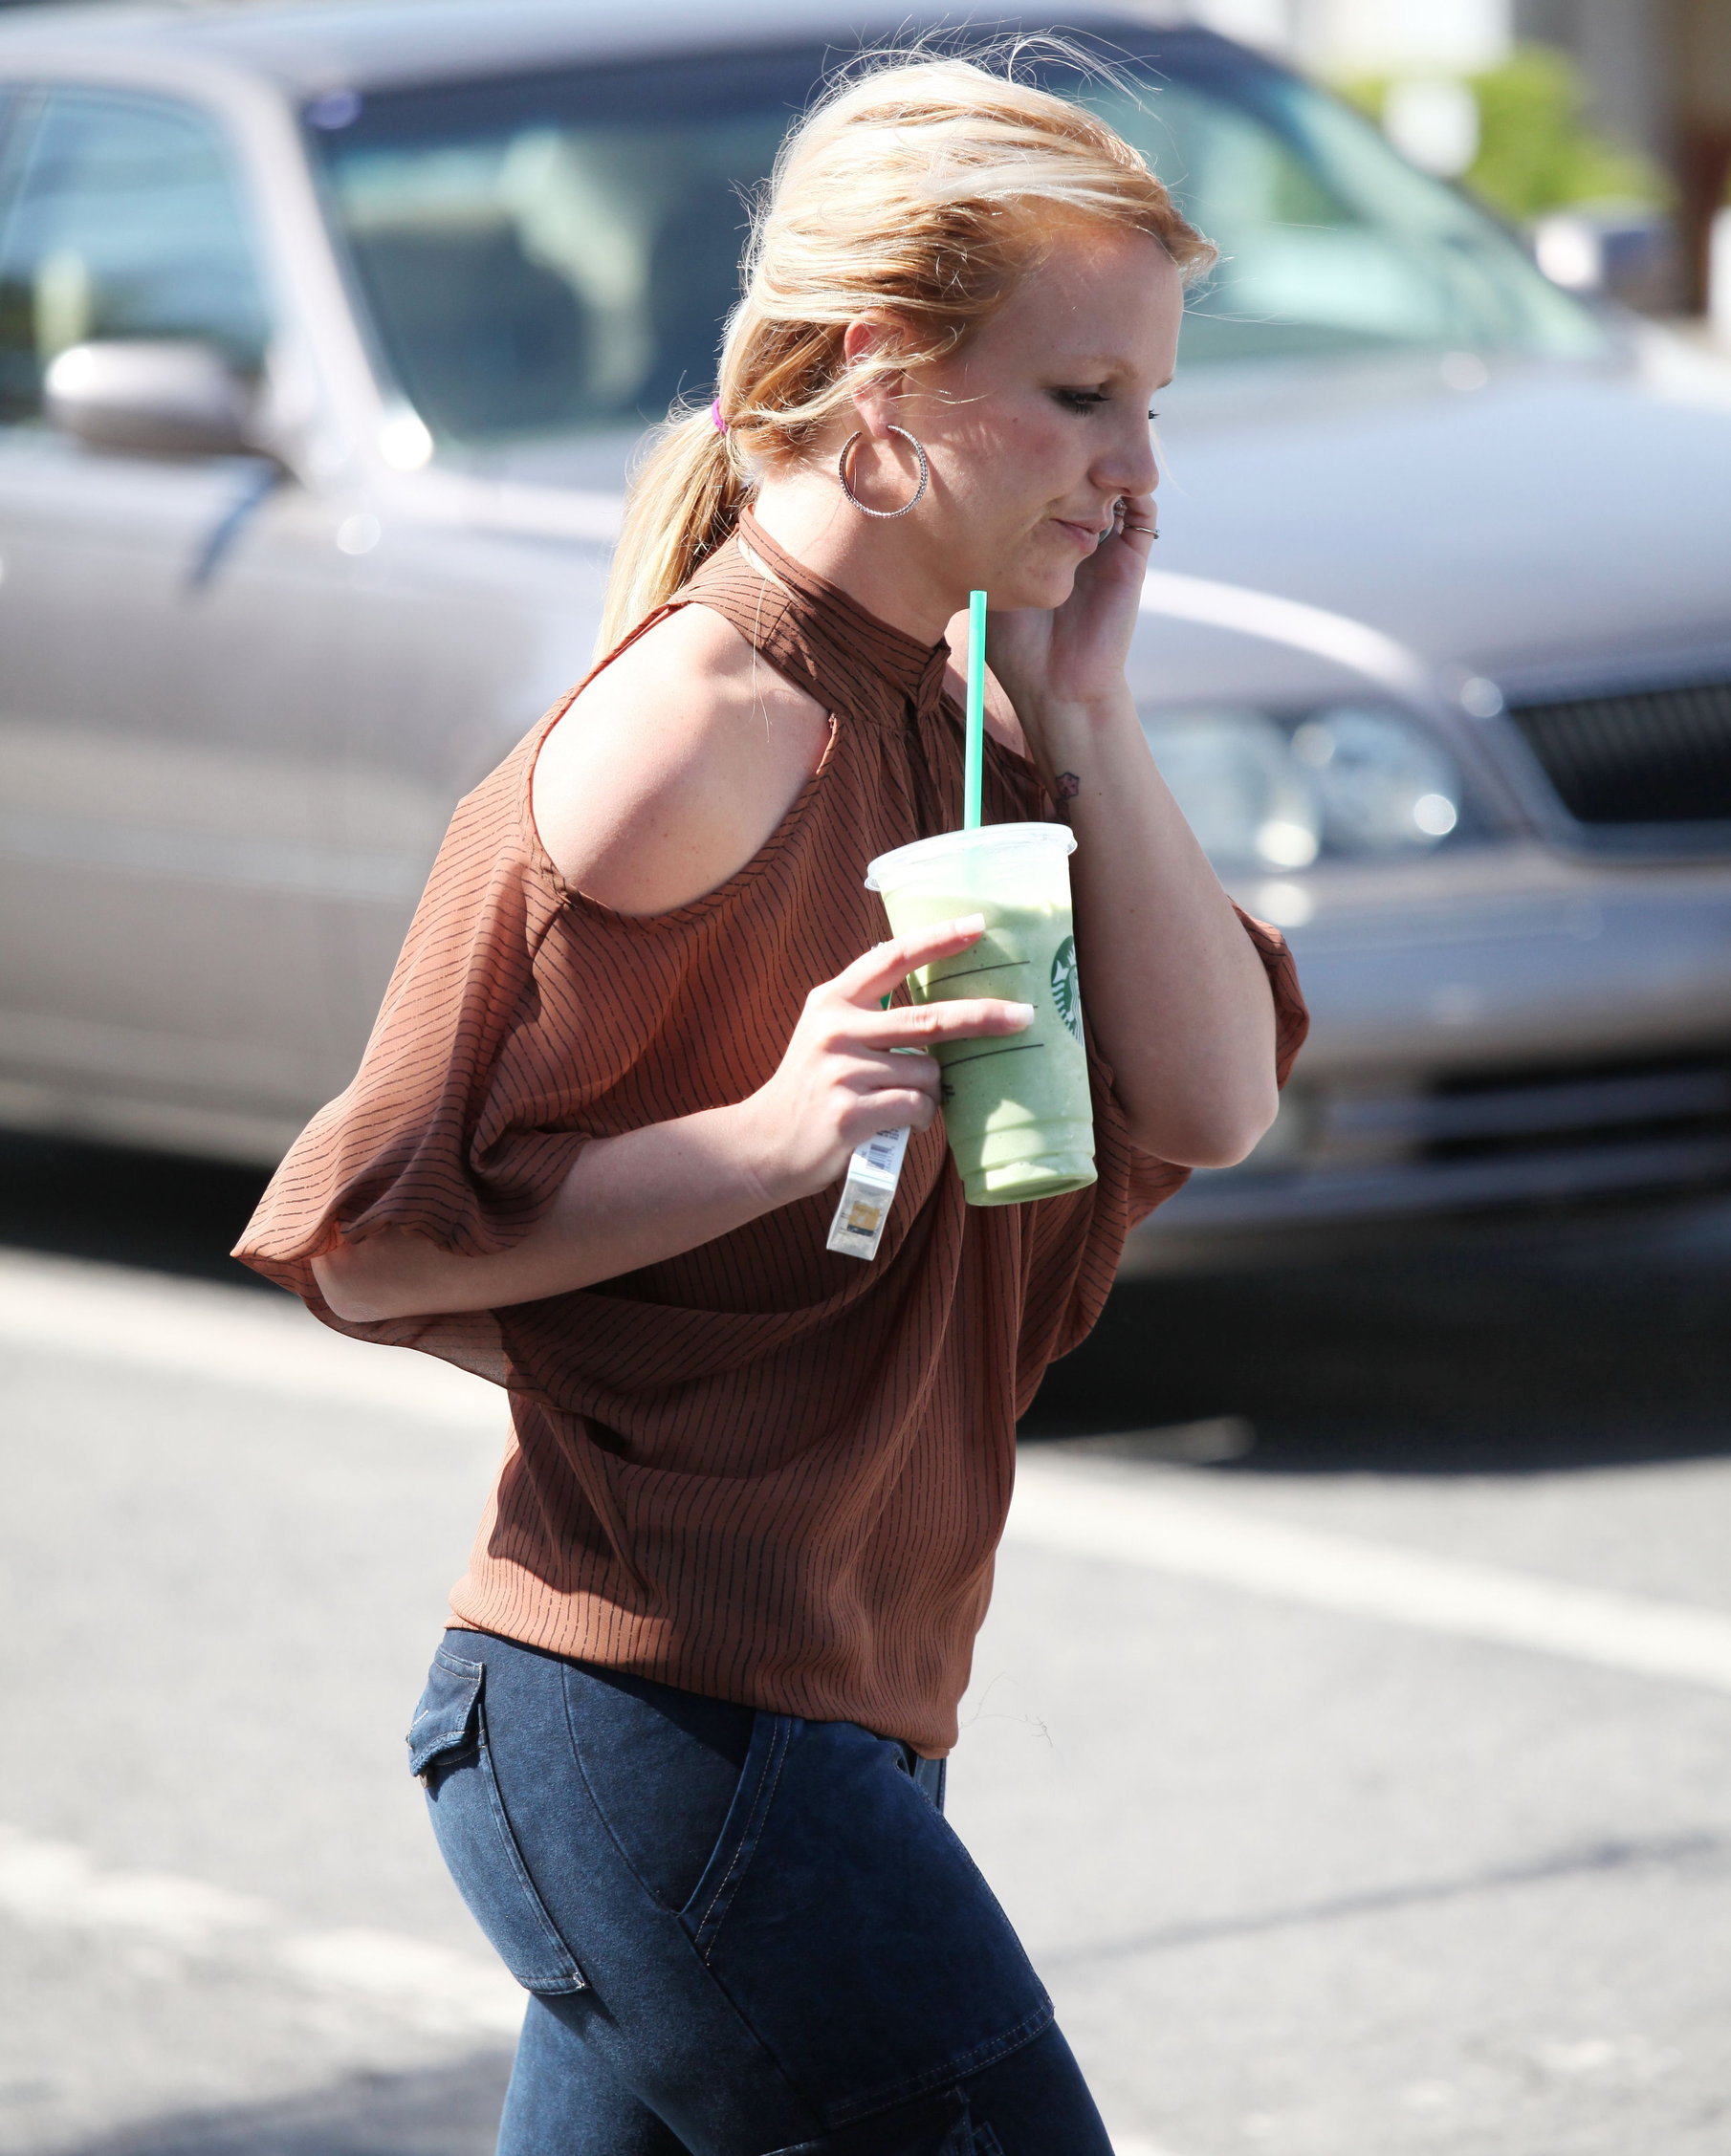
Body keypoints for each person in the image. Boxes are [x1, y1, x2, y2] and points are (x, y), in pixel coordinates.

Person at [236, 50, 1307, 2156]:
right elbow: (375, 1248)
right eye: (1077, 398)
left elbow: (1214, 1095)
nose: (1131, 471)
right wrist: (773, 1130)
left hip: (838, 1712)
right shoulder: (697, 729)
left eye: (1150, 406)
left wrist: (1085, 702)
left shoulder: (982, 702)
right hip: (663, 1731)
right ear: (874, 376)